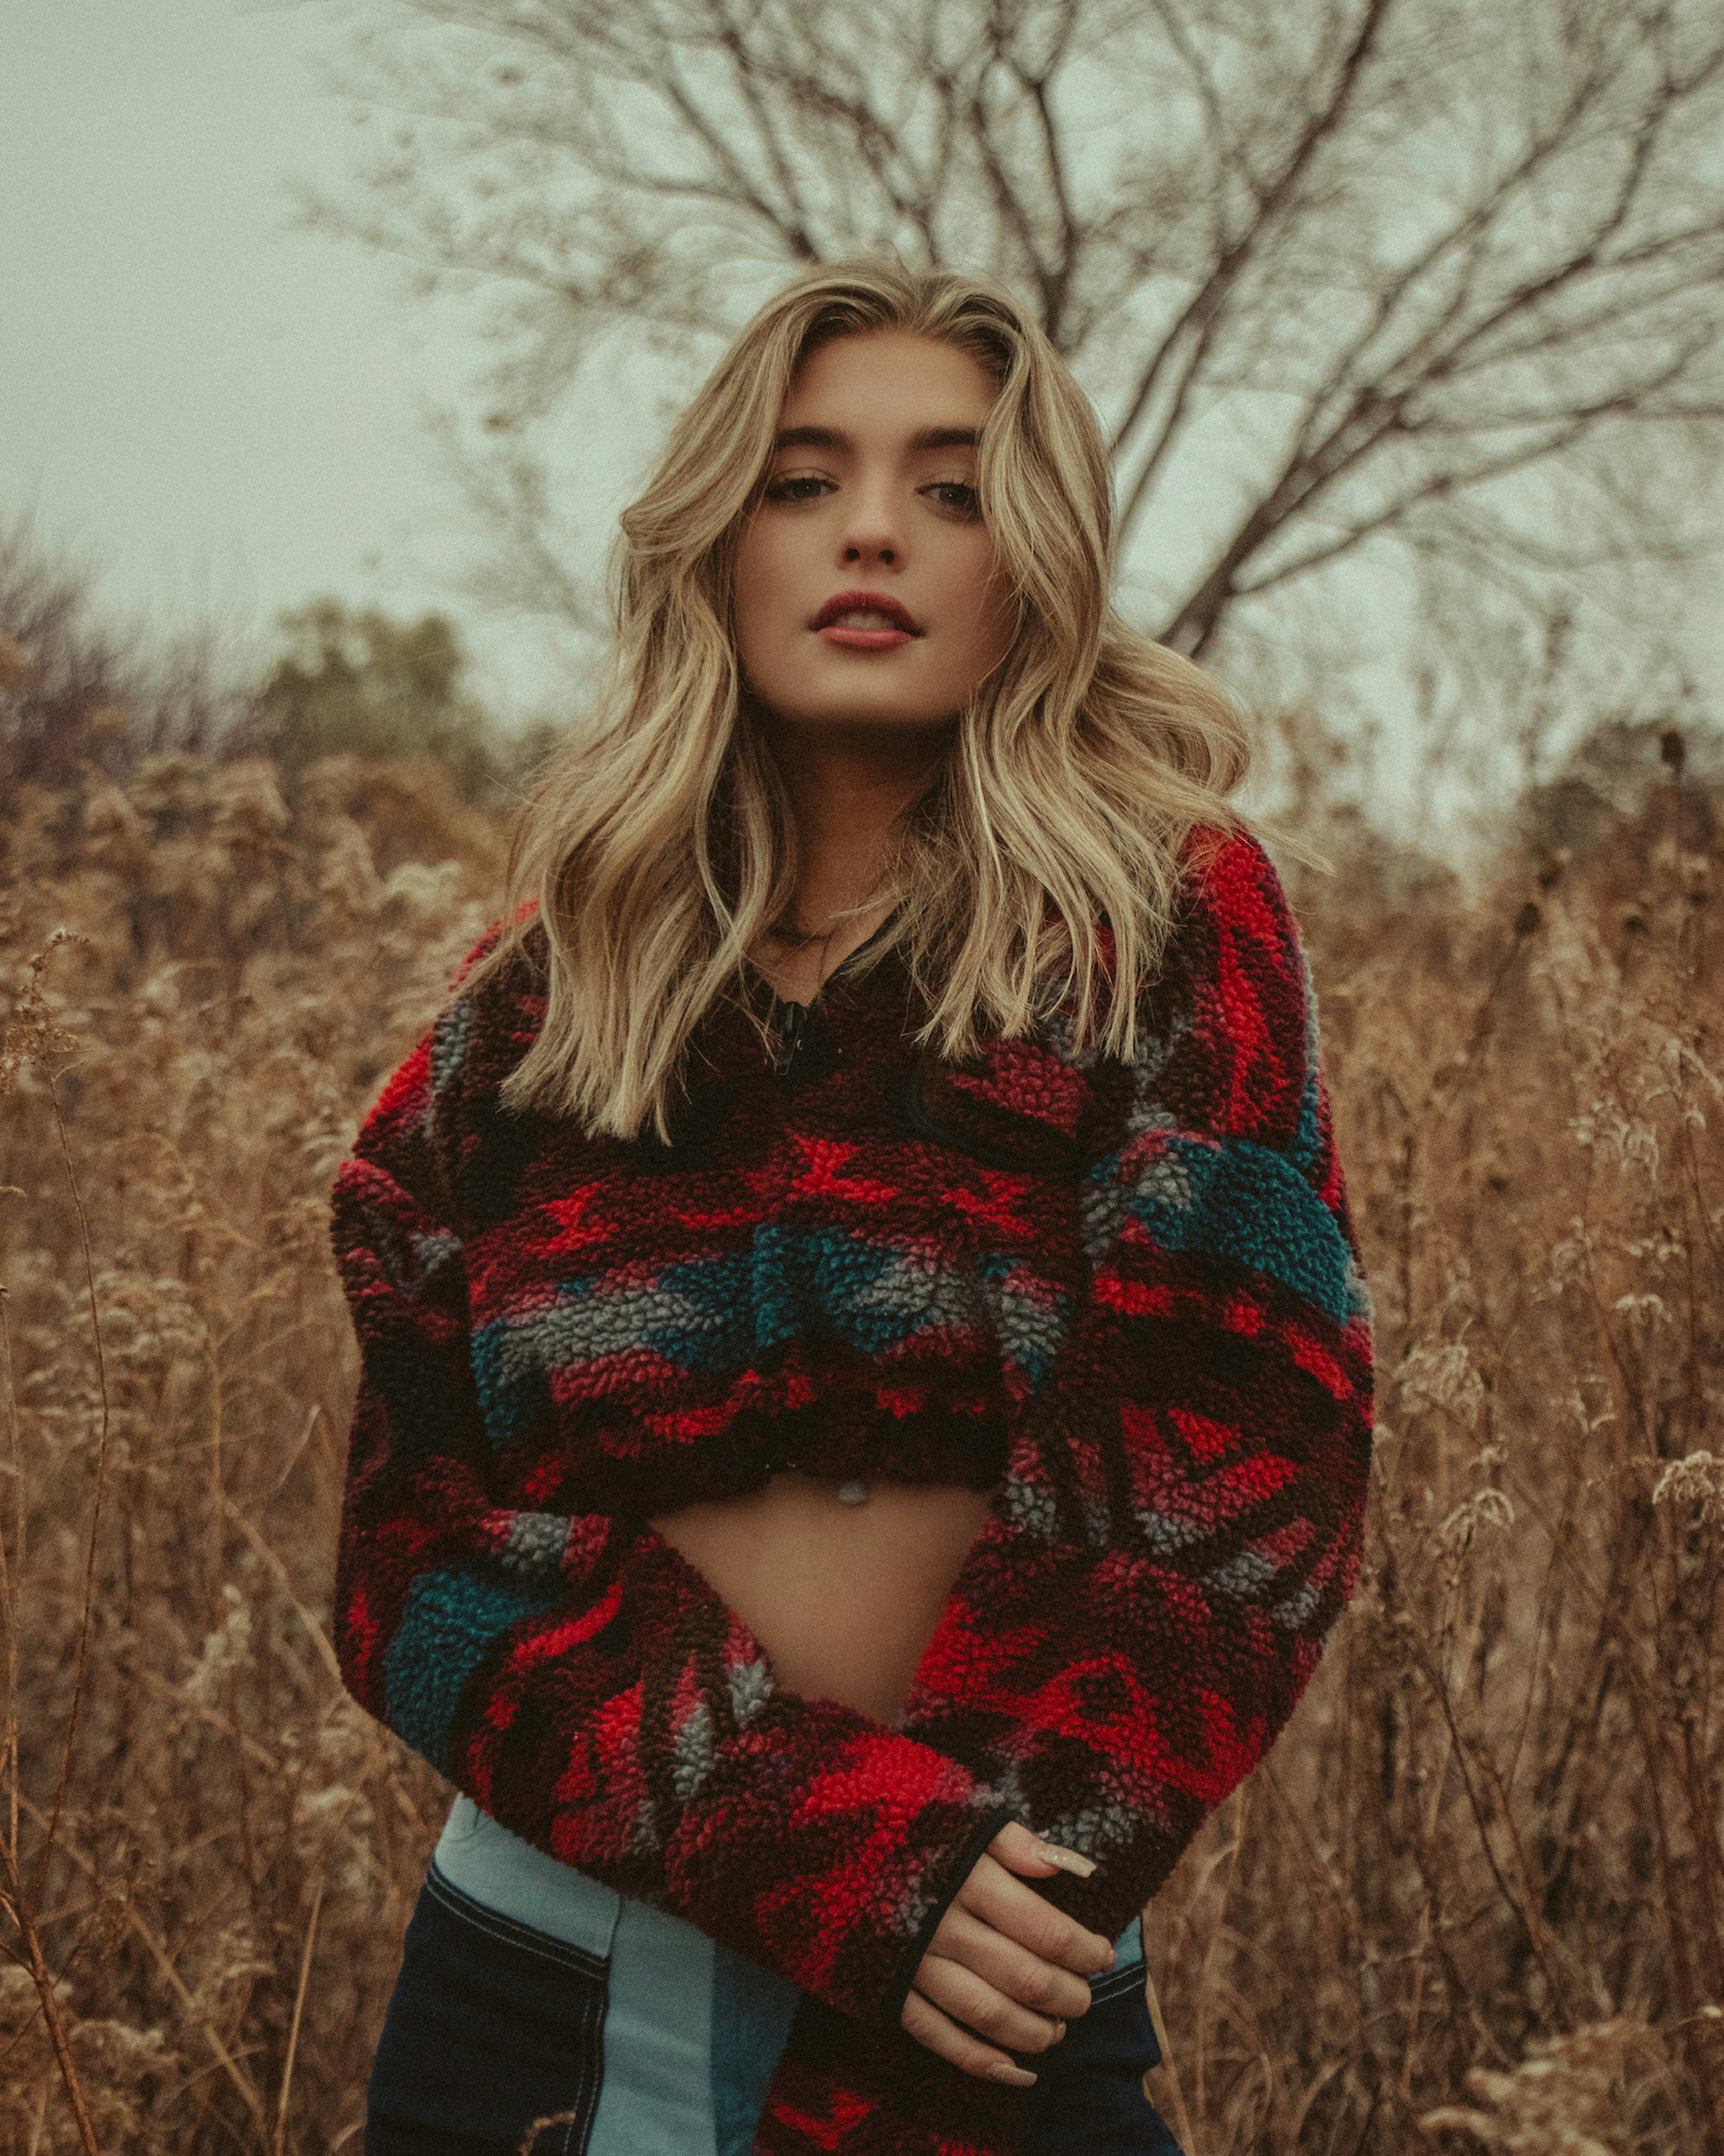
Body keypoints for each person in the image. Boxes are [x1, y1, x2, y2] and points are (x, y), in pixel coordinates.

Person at [328, 257, 1375, 2156]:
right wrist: (808, 1838)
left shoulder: (1157, 933)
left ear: (1033, 558)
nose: (871, 530)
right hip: (540, 1992)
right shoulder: (547, 1002)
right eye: (803, 479)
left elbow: (1244, 1452)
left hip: (991, 1968)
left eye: (952, 486)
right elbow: (413, 1540)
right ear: (715, 543)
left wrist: (956, 1885)